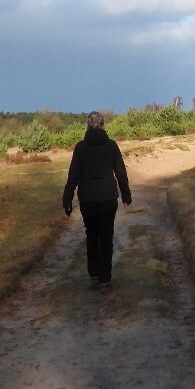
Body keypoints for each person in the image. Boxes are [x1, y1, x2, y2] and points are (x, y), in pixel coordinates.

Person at [62, 112, 132, 288]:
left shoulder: (80, 147)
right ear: (103, 125)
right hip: (108, 197)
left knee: (92, 235)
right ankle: (105, 278)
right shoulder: (112, 145)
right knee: (106, 236)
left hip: (87, 199)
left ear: (87, 125)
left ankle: (93, 273)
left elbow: (73, 176)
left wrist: (67, 200)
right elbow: (121, 173)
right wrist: (126, 195)